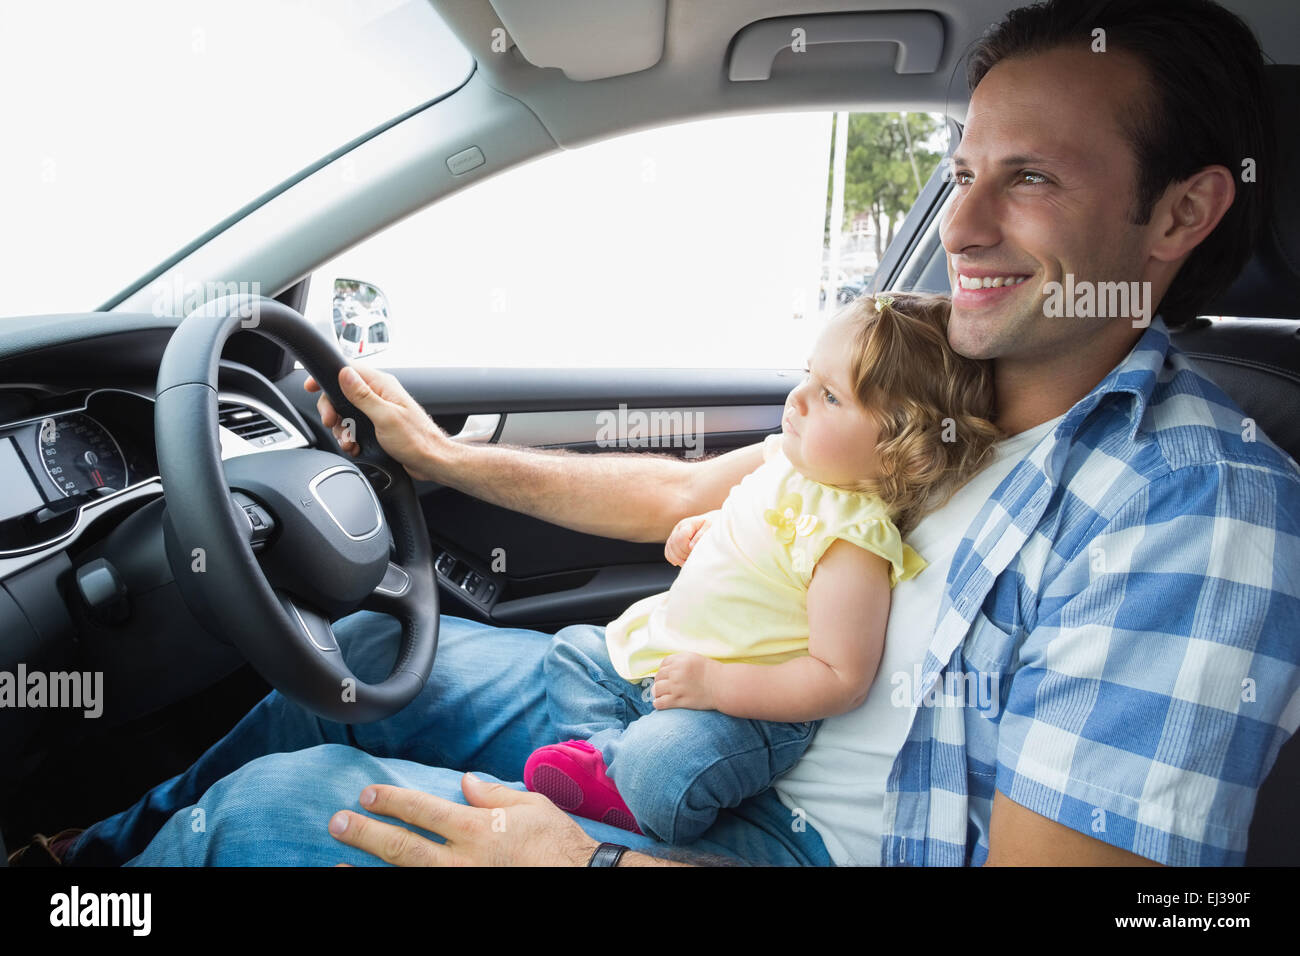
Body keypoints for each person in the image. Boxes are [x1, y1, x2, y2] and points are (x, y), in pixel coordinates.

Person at [36, 0, 1299, 867]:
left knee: (277, 814)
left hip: (772, 829)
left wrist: (582, 857)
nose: (963, 224)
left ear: (1178, 211)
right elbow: (693, 487)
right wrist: (437, 456)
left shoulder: (1194, 511)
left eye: (1030, 178)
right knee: (358, 656)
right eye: (963, 169)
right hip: (641, 693)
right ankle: (88, 866)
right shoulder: (946, 383)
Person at [522, 293, 998, 844]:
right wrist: (703, 527)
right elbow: (752, 524)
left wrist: (717, 685)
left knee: (663, 770)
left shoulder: (851, 541)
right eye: (807, 375)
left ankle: (628, 778)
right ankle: (605, 759)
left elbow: (840, 680)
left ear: (899, 448)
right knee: (573, 651)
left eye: (829, 396)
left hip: (745, 709)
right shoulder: (786, 462)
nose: (797, 400)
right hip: (667, 656)